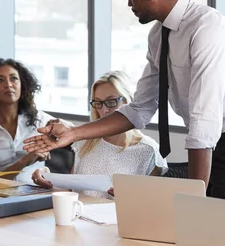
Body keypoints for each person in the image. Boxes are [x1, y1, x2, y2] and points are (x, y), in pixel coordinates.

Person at [24, 0, 225, 203]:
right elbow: (139, 109)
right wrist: (74, 133)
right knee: (195, 225)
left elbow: (204, 117)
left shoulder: (206, 28)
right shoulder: (158, 36)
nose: (129, 4)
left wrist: (195, 200)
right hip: (210, 139)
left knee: (217, 223)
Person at [31, 71, 167, 199]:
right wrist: (47, 178)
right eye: (98, 103)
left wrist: (130, 196)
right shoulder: (85, 143)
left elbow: (154, 202)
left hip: (119, 220)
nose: (105, 109)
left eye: (111, 101)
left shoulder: (148, 150)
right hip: (81, 216)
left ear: (127, 102)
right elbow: (71, 192)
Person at [0, 58, 55, 181]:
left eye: (14, 78)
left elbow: (73, 134)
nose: (8, 84)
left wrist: (62, 125)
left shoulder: (41, 120)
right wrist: (24, 161)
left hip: (36, 193)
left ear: (22, 84)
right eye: (0, 80)